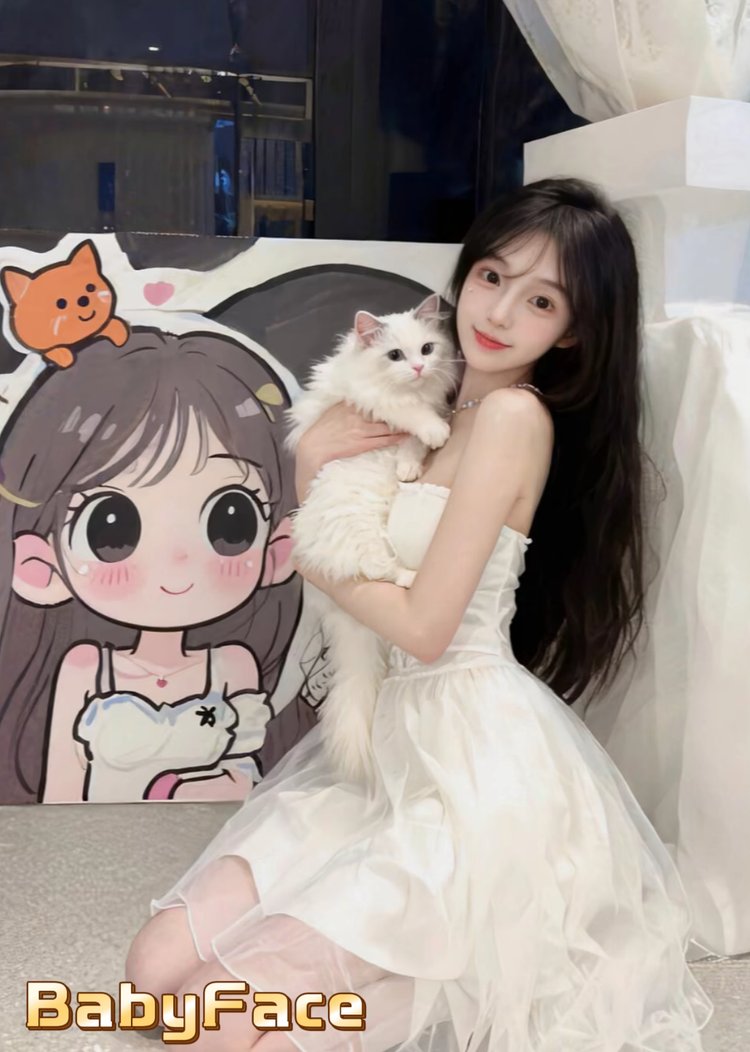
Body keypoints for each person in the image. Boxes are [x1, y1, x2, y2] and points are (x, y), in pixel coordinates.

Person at [125, 179, 713, 1051]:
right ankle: (442, 968)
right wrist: (310, 469)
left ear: (573, 330)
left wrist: (306, 545)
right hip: (386, 755)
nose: (500, 312)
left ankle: (471, 971)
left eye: (541, 300)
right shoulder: (430, 402)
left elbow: (426, 628)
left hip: (469, 766)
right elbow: (354, 536)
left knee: (216, 1024)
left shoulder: (513, 416)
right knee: (152, 974)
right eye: (492, 277)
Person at [0, 329, 305, 804]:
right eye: (112, 531)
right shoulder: (86, 669)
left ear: (278, 550)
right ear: (41, 567)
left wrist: (173, 790)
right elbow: (61, 793)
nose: (178, 559)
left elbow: (242, 776)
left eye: (232, 522)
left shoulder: (233, 667)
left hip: (210, 839)